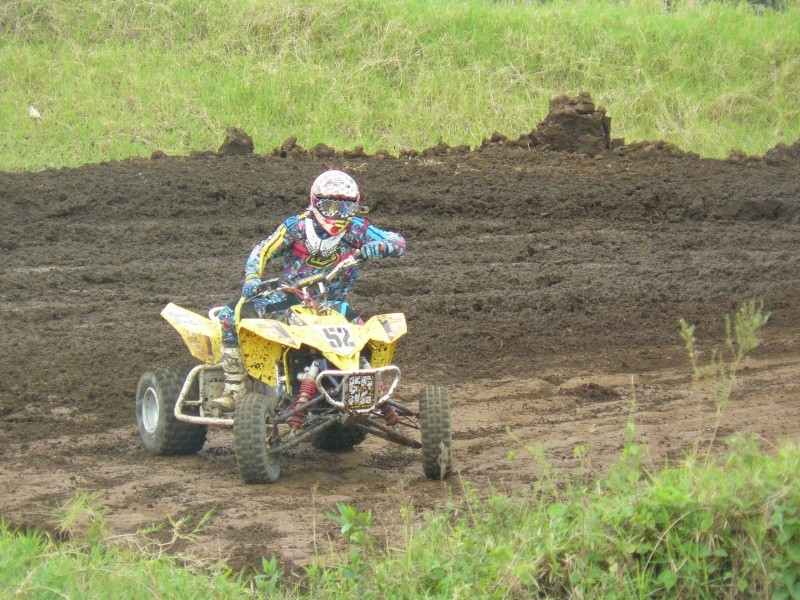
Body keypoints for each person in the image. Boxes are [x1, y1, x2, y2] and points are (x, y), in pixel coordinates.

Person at [211, 169, 406, 412]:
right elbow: (262, 251)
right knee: (231, 314)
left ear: (355, 206)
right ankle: (235, 387)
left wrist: (378, 246)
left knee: (365, 340)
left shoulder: (358, 229)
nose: (337, 214)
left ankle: (363, 392)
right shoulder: (297, 227)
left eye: (344, 208)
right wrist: (252, 277)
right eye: (330, 207)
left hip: (334, 303)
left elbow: (398, 241)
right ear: (316, 203)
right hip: (291, 297)